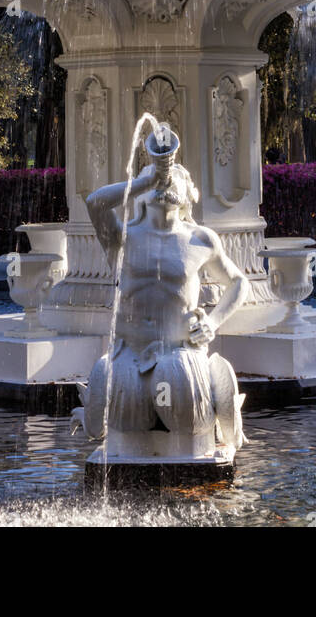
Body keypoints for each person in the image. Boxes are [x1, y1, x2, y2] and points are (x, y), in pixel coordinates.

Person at [80, 125, 248, 456]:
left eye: (174, 178)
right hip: (128, 356)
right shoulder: (121, 239)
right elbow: (95, 203)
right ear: (141, 191)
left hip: (181, 356)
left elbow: (239, 283)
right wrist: (147, 179)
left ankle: (220, 435)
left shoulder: (200, 239)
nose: (166, 183)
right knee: (115, 423)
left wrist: (213, 323)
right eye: (154, 180)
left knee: (190, 423)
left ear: (189, 194)